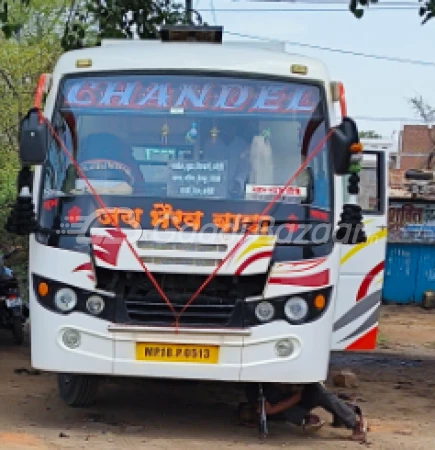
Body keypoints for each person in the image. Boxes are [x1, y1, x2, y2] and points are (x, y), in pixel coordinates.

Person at [240, 382, 367, 442]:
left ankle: (355, 423)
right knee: (268, 404)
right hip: (280, 407)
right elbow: (261, 407)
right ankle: (305, 418)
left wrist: (272, 409)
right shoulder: (255, 386)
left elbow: (301, 394)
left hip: (297, 399)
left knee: (319, 393)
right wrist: (264, 409)